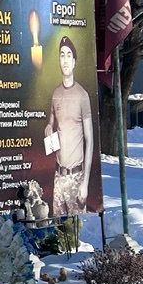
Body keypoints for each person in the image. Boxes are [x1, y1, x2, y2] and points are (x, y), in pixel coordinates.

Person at [44, 36, 93, 216]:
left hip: (76, 177)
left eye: (69, 55)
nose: (65, 59)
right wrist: (48, 128)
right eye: (62, 55)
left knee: (76, 234)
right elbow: (51, 122)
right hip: (59, 177)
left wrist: (85, 183)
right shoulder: (55, 93)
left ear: (74, 61)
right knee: (57, 232)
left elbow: (90, 140)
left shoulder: (82, 95)